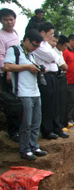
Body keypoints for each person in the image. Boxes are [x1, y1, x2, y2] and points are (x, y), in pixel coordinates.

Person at [4, 29, 48, 160]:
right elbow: (7, 67)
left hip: (35, 92)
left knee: (36, 122)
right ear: (26, 40)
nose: (35, 48)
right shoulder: (15, 51)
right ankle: (25, 149)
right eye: (34, 45)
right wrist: (27, 67)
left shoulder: (31, 55)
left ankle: (34, 146)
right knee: (26, 123)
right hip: (23, 93)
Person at [33, 22, 69, 139]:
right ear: (43, 32)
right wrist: (54, 59)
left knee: (55, 104)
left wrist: (55, 59)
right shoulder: (39, 45)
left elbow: (56, 57)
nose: (51, 36)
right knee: (47, 104)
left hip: (54, 76)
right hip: (45, 76)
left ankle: (56, 128)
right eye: (50, 34)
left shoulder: (47, 45)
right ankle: (47, 130)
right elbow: (52, 57)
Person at [0, 8, 21, 142]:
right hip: (7, 73)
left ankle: (19, 128)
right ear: (1, 20)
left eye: (11, 19)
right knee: (11, 102)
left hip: (17, 72)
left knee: (19, 101)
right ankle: (13, 131)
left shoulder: (15, 34)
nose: (9, 22)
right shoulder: (1, 36)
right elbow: (1, 56)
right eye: (6, 19)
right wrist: (7, 71)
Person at [63, 34, 74, 126]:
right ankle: (68, 119)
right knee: (69, 101)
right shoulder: (65, 51)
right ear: (71, 41)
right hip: (69, 81)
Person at [53, 34, 69, 126]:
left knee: (63, 101)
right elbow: (64, 66)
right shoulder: (54, 52)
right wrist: (65, 67)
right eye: (65, 45)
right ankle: (59, 124)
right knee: (59, 102)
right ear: (59, 44)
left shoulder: (60, 52)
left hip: (62, 78)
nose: (66, 48)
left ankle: (63, 122)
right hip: (57, 78)